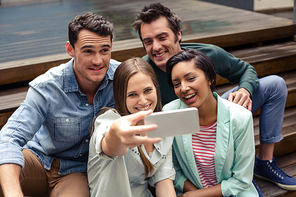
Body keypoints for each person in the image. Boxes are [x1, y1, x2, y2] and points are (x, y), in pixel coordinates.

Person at [133, 2, 296, 192]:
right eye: (148, 41)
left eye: (162, 37)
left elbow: (246, 70)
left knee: (275, 84)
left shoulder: (205, 55)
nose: (156, 47)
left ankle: (264, 163)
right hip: (176, 132)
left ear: (178, 34)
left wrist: (245, 89)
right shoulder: (143, 72)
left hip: (212, 113)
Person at [0, 12, 121, 197]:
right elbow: (9, 138)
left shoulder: (122, 79)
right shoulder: (48, 86)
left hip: (76, 172)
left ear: (111, 46)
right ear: (70, 49)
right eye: (88, 51)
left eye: (104, 50)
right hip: (38, 160)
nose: (98, 60)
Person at [163, 49, 258, 196]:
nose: (183, 88)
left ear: (209, 78)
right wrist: (195, 194)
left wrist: (197, 195)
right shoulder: (170, 113)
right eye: (176, 84)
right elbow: (172, 169)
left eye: (190, 78)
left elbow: (242, 180)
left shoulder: (240, 118)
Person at [87, 57, 176, 197]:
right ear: (121, 97)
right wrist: (116, 134)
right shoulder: (107, 120)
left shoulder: (162, 124)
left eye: (147, 90)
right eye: (132, 94)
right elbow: (110, 145)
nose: (143, 101)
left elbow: (164, 180)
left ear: (156, 89)